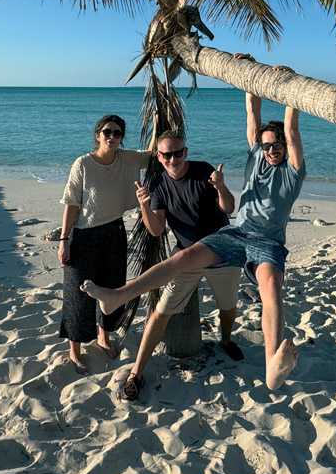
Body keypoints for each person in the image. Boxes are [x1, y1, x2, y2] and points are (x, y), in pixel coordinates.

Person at [83, 76, 306, 390]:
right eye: (266, 144)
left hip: (268, 243)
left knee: (270, 287)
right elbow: (251, 113)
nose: (270, 149)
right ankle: (117, 296)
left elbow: (292, 129)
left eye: (276, 145)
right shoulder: (254, 156)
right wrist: (252, 74)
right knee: (184, 257)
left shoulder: (292, 172)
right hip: (237, 235)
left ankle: (272, 365)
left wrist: (291, 86)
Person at [120, 130, 239, 401]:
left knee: (227, 306)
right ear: (159, 157)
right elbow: (156, 230)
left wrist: (221, 186)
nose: (172, 158)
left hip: (222, 250)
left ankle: (227, 340)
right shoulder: (159, 183)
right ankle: (136, 373)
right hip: (186, 253)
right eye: (166, 154)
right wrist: (144, 207)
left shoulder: (204, 171)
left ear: (185, 152)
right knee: (161, 312)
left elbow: (229, 208)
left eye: (177, 153)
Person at [59, 114, 151, 375]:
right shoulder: (84, 164)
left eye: (118, 133)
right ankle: (74, 350)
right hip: (83, 235)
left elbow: (152, 154)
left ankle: (104, 338)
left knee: (112, 288)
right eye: (107, 132)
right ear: (97, 135)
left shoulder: (126, 158)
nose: (112, 136)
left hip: (114, 232)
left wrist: (157, 120)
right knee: (78, 294)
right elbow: (71, 203)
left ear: (122, 138)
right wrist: (64, 239)